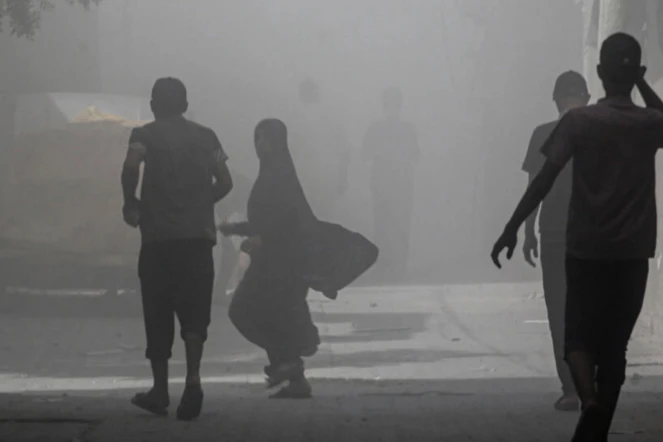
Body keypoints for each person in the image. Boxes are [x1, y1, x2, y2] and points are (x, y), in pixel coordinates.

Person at [491, 33, 663, 441]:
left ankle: (588, 401)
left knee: (577, 335)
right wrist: (639, 82)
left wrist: (513, 227)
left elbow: (542, 181)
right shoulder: (648, 123)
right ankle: (596, 421)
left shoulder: (578, 122)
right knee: (616, 342)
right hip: (632, 250)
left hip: (584, 246)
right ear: (636, 72)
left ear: (599, 74)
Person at [121, 77, 233, 420]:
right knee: (195, 310)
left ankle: (159, 390)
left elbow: (129, 168)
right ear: (185, 105)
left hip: (158, 240)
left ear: (154, 105)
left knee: (158, 309)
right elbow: (225, 182)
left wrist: (131, 204)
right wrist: (199, 204)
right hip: (198, 239)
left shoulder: (143, 136)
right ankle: (194, 380)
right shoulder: (207, 136)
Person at [220, 118, 321, 399]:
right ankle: (294, 378)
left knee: (243, 310)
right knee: (275, 317)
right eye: (258, 138)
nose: (261, 145)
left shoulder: (280, 177)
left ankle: (288, 362)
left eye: (267, 139)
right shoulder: (270, 174)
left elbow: (276, 223)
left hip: (282, 264)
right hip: (271, 260)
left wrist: (239, 230)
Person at [521, 71, 590, 412]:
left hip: (555, 234)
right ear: (587, 99)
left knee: (560, 311)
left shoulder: (542, 134)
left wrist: (526, 229)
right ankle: (585, 385)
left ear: (556, 100)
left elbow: (536, 186)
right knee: (588, 310)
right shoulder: (600, 133)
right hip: (590, 235)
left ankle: (572, 388)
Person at [362, 87, 419, 283]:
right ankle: (396, 266)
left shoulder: (376, 128)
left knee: (386, 224)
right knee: (397, 224)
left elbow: (365, 154)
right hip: (395, 182)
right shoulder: (407, 129)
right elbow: (416, 155)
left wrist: (384, 154)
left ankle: (388, 265)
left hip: (388, 182)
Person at [288, 79, 351, 220]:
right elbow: (345, 151)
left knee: (304, 221)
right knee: (325, 221)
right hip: (327, 178)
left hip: (306, 179)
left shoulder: (297, 116)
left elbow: (292, 148)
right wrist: (343, 177)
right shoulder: (332, 116)